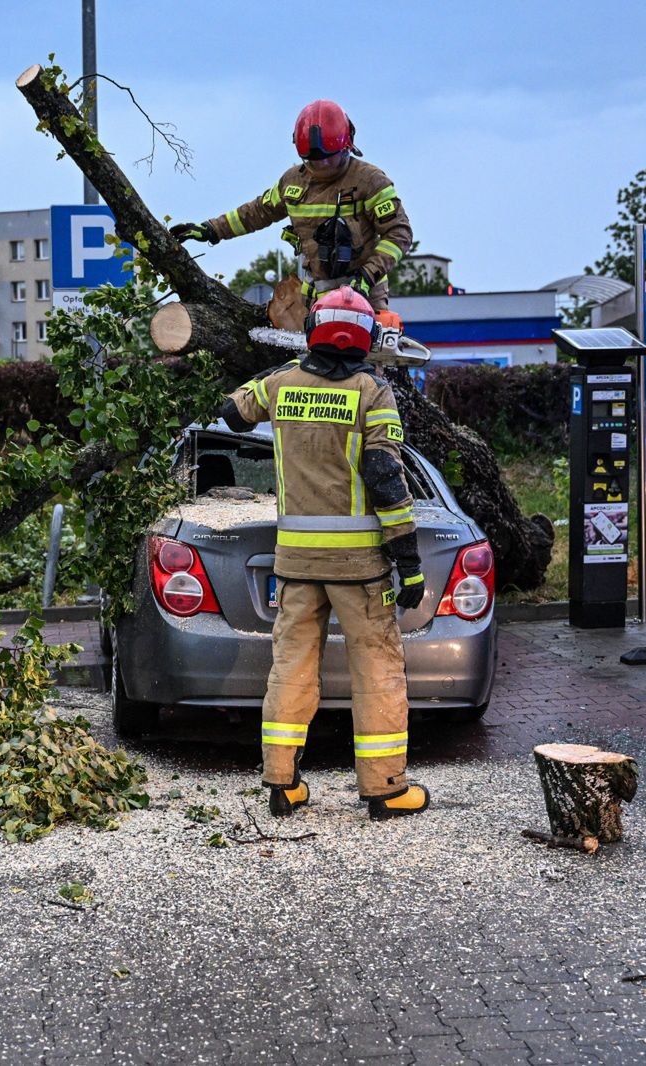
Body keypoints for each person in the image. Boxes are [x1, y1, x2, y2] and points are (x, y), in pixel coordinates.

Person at [218, 288, 430, 820]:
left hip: (295, 565)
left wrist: (281, 373)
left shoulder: (281, 383)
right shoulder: (372, 392)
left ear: (313, 330)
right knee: (376, 670)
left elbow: (231, 413)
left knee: (290, 668)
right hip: (360, 569)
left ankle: (282, 783)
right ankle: (385, 788)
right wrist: (408, 561)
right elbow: (385, 476)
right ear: (365, 338)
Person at [171, 99, 412, 333]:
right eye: (313, 161)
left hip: (362, 296)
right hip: (315, 297)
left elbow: (399, 233)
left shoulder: (369, 181)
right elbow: (257, 211)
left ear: (347, 146)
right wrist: (212, 229)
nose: (321, 165)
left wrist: (368, 275)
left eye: (329, 158)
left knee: (362, 358)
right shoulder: (293, 182)